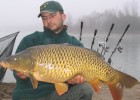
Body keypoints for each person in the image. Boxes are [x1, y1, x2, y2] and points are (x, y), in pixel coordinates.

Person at [12, 1, 93, 100]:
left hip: (57, 96)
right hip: (29, 96)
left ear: (63, 16)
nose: (48, 21)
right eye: (44, 17)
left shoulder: (75, 44)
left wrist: (73, 80)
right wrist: (21, 76)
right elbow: (16, 70)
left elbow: (81, 77)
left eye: (52, 15)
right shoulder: (29, 41)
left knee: (85, 90)